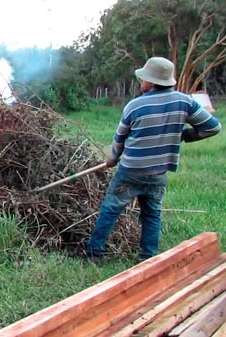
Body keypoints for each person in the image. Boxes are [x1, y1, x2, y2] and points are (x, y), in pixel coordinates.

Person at [86, 57, 221, 261]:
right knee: (151, 214)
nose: (141, 82)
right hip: (158, 172)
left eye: (143, 79)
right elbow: (213, 127)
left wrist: (113, 158)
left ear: (150, 82)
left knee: (110, 209)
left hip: (130, 172)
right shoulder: (185, 102)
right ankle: (148, 257)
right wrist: (183, 135)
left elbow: (119, 138)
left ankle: (95, 253)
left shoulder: (135, 105)